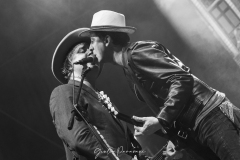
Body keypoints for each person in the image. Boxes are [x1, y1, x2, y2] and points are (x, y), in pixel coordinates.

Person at [79, 10, 240, 160]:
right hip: (199, 125)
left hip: (208, 116)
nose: (91, 48)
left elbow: (181, 79)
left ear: (107, 40)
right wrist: (173, 136)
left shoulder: (137, 53)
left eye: (93, 41)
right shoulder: (129, 67)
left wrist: (161, 120)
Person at [50, 28, 143, 160]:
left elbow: (127, 148)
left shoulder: (104, 100)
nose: (91, 52)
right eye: (82, 51)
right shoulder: (62, 92)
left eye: (92, 49)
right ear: (69, 65)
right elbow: (78, 139)